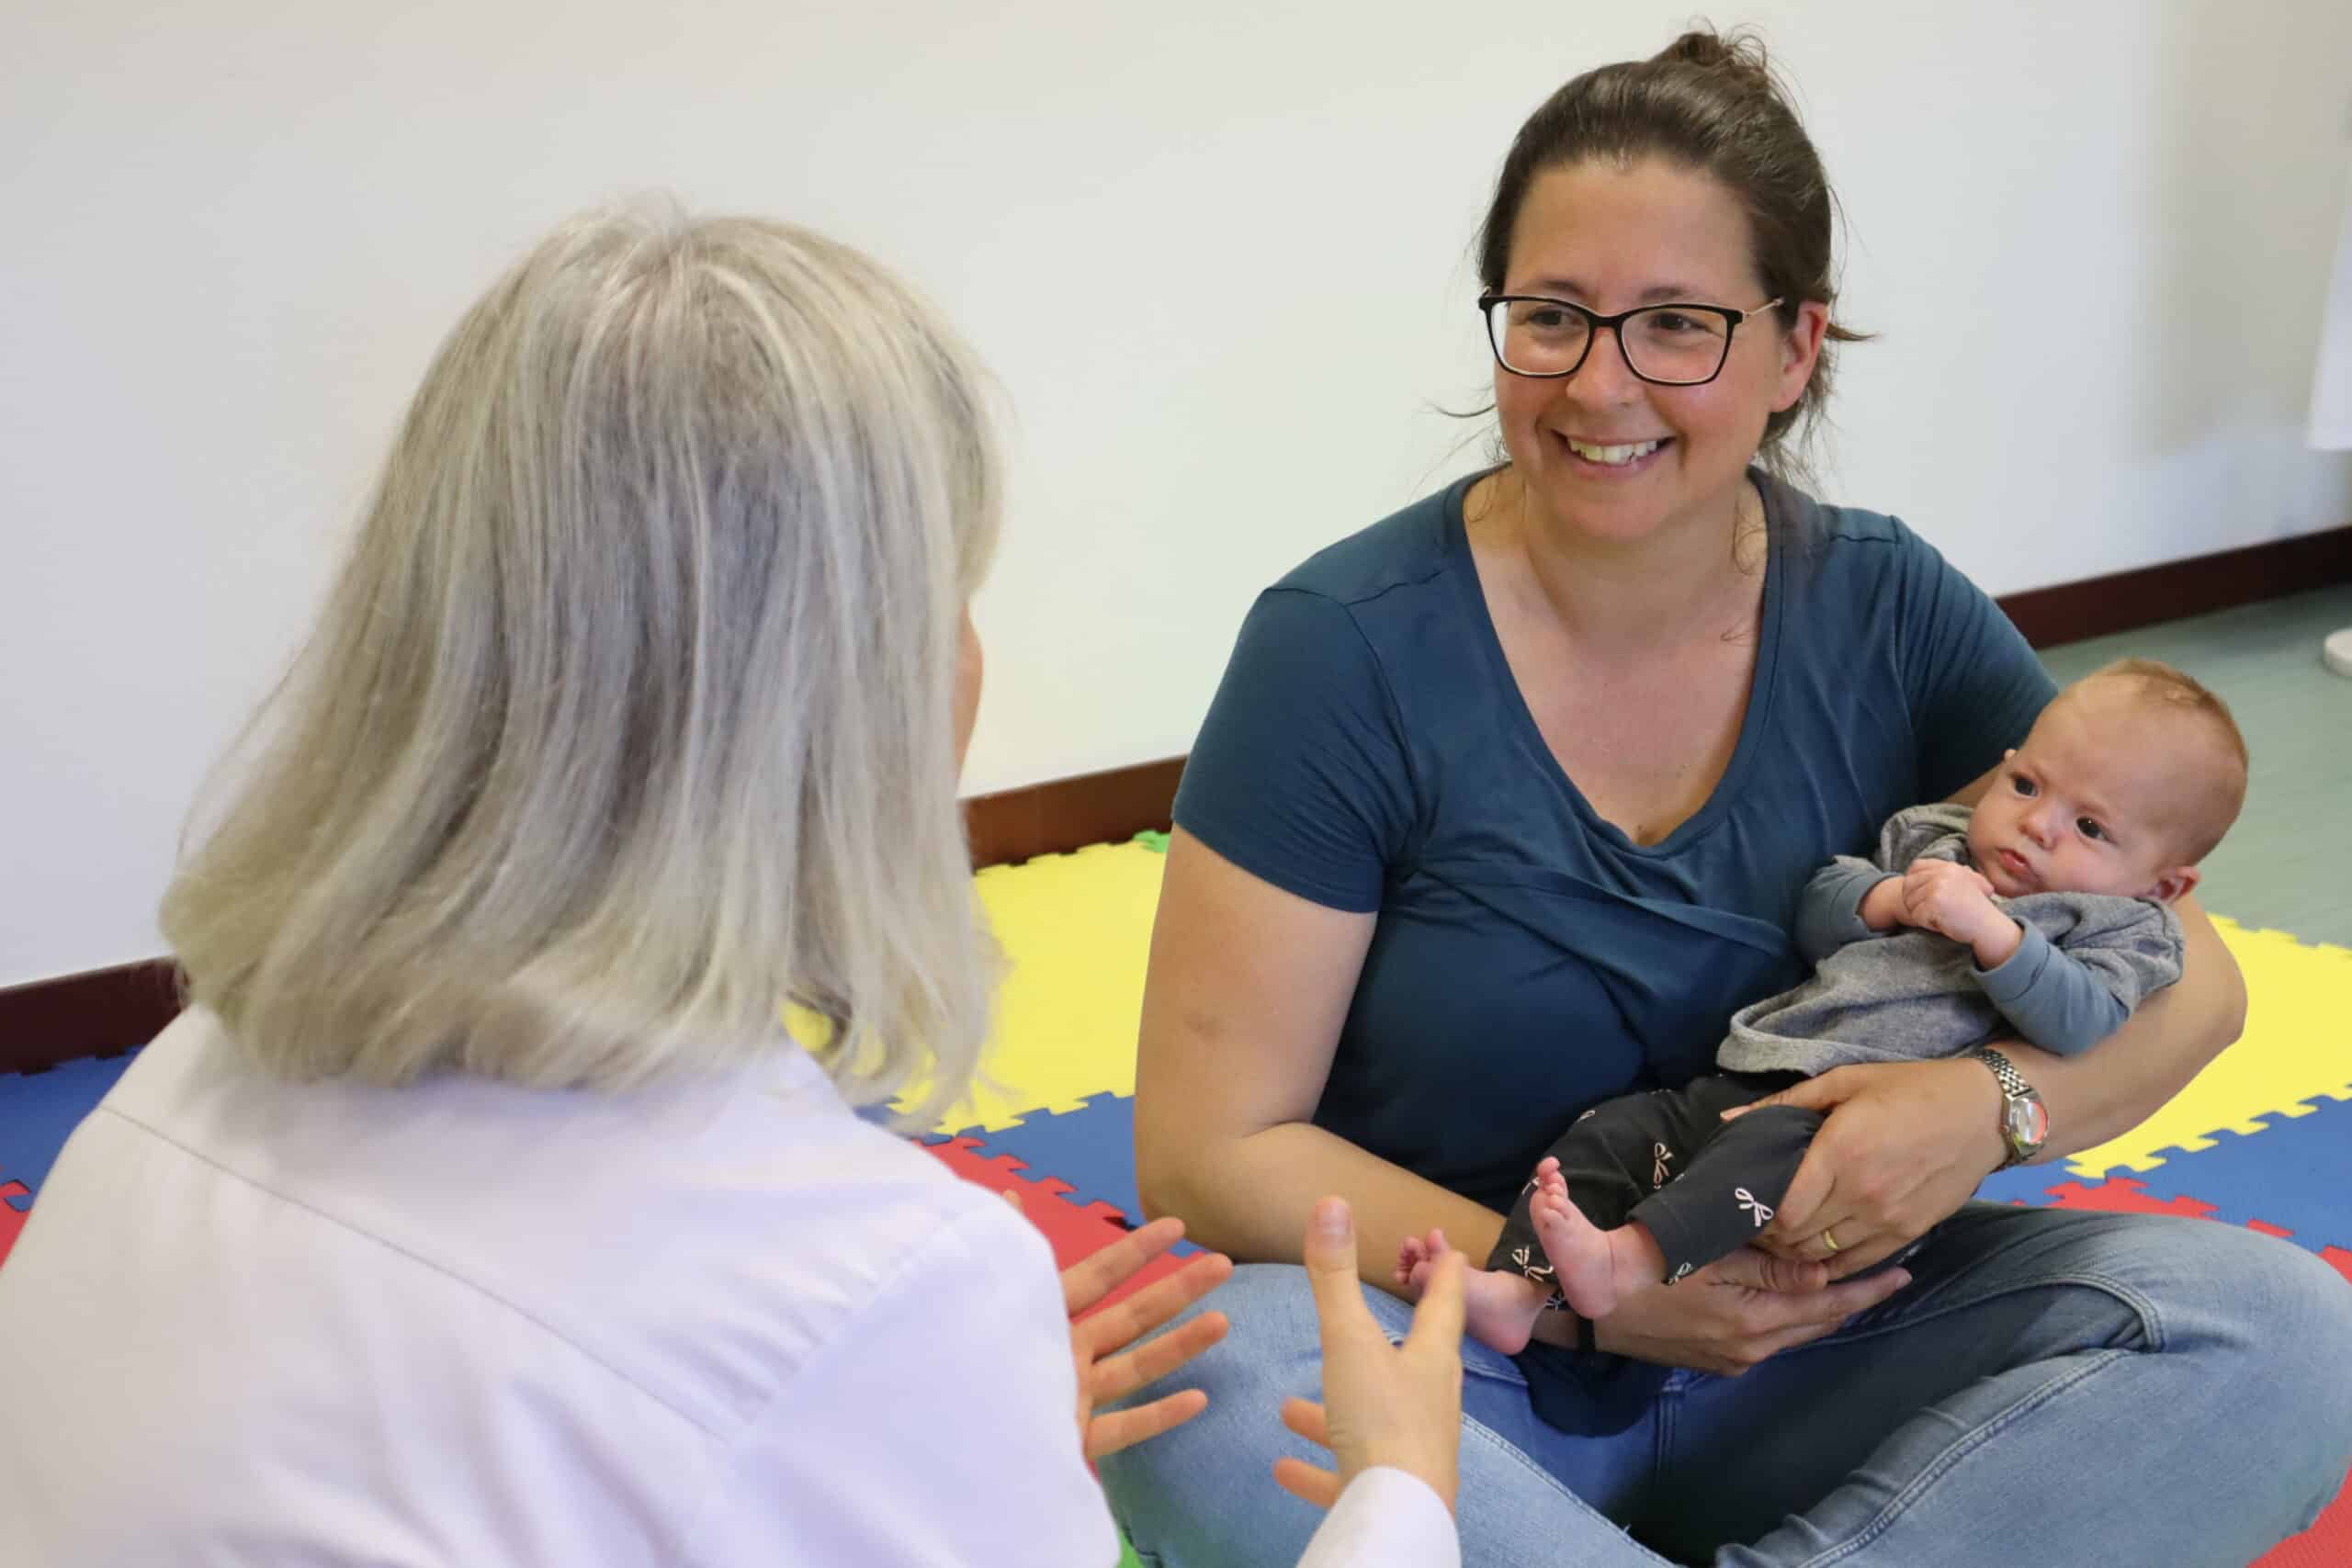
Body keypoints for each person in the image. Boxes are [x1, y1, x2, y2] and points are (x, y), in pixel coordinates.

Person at [0, 207, 1469, 1565]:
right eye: (950, 594)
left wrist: (919, 1449)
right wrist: (1399, 1493)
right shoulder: (867, 1279)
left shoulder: (174, 1087)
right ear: (843, 690)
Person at [1102, 28, 2352, 1568]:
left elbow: (2197, 978)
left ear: (1794, 345)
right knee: (1196, 1371)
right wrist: (1582, 1284)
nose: (1600, 382)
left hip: (1816, 1323)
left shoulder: (1884, 605)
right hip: (1473, 1347)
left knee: (2277, 1329)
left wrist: (1981, 1108)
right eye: (1551, 317)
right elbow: (1214, 1147)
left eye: (1678, 324)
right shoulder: (1343, 649)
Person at [1403, 660, 2247, 1353]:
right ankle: (1519, 1290)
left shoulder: (2123, 929)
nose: (2035, 826)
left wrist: (1996, 936)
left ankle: (1628, 1263)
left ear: (2165, 883)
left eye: (2091, 828)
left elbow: (2085, 1021)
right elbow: (1822, 904)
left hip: (1853, 1135)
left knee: (1759, 1160)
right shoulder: (1939, 839)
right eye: (2025, 783)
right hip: (1761, 1064)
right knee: (1610, 1134)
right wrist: (1887, 901)